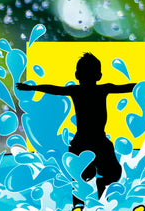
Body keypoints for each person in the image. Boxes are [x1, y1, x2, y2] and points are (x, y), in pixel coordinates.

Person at [17, 52, 135, 199]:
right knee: (107, 174)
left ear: (77, 75)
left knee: (81, 179)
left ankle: (81, 204)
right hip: (96, 141)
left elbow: (53, 88)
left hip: (84, 142)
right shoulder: (100, 89)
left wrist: (31, 88)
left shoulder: (78, 90)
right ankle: (97, 191)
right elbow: (128, 87)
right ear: (99, 75)